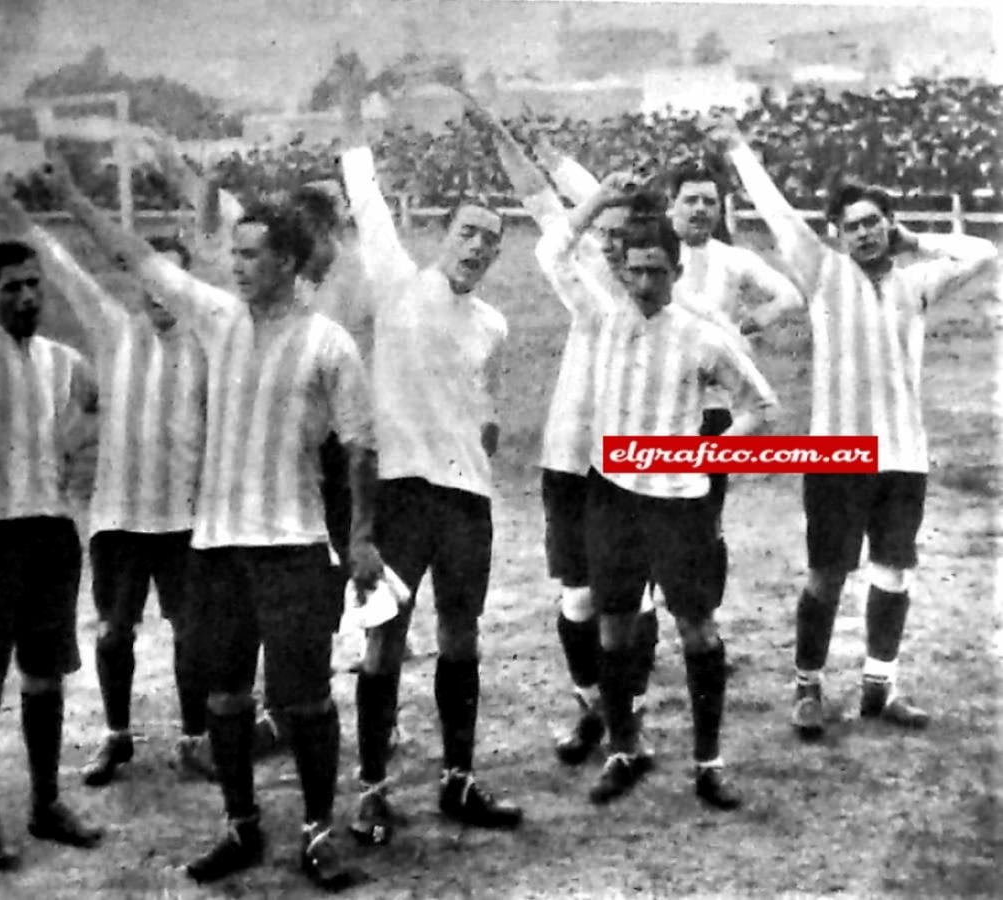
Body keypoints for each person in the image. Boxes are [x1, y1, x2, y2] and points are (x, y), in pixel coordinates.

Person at [51, 156, 383, 889]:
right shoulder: (215, 316)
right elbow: (131, 255)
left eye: (251, 253)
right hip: (216, 550)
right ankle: (241, 827)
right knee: (225, 697)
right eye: (233, 252)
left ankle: (318, 833)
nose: (236, 265)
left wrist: (359, 537)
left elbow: (361, 448)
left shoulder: (329, 343)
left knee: (304, 700)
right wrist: (72, 195)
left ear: (290, 261)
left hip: (295, 547)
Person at [706, 113, 998, 738]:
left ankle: (879, 684)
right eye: (854, 226)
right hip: (837, 453)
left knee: (894, 571)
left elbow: (984, 250)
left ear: (886, 227)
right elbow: (781, 215)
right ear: (836, 234)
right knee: (826, 574)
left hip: (903, 453)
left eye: (874, 223)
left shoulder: (916, 282)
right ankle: (807, 686)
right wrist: (738, 151)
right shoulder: (823, 274)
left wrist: (914, 240)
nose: (865, 234)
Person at [539, 174, 778, 807]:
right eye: (636, 270)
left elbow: (760, 405)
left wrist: (709, 451)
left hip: (681, 501)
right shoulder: (598, 315)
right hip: (613, 494)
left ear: (676, 270)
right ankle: (625, 746)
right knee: (615, 631)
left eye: (658, 272)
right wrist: (599, 202)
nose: (645, 284)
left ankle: (708, 761)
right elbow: (551, 253)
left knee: (696, 628)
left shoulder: (701, 332)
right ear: (622, 268)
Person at [337, 68, 522, 847]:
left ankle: (457, 778)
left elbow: (485, 412)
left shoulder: (495, 326)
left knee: (461, 637)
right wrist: (351, 105)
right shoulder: (396, 282)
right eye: (468, 232)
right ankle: (374, 788)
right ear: (443, 234)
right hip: (401, 496)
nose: (478, 247)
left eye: (491, 239)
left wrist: (480, 436)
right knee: (385, 638)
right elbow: (363, 185)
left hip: (467, 503)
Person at [457, 95, 660, 766]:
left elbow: (563, 201)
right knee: (577, 596)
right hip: (570, 457)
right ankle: (592, 706)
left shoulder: (654, 290)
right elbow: (540, 195)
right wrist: (496, 127)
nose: (614, 237)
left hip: (632, 461)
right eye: (609, 225)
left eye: (625, 227)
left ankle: (628, 712)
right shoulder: (586, 273)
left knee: (632, 594)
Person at [0, 187, 214, 785]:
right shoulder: (115, 329)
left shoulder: (208, 344)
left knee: (191, 633)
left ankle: (197, 738)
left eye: (173, 282)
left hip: (185, 521)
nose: (160, 294)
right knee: (115, 632)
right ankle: (117, 737)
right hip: (119, 519)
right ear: (139, 285)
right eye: (151, 282)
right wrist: (18, 215)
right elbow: (60, 266)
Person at [0, 237, 104, 871]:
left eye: (32, 284)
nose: (26, 296)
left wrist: (77, 435)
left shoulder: (65, 362)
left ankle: (47, 802)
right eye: (11, 287)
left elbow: (95, 401)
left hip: (49, 535)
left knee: (45, 675)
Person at [668, 159, 804, 550]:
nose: (699, 209)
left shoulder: (731, 258)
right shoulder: (654, 255)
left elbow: (790, 296)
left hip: (713, 400)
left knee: (705, 511)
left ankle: (700, 599)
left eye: (709, 201)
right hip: (659, 395)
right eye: (690, 200)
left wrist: (747, 325)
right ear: (671, 203)